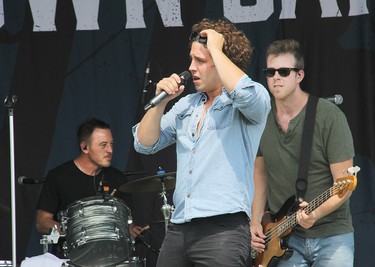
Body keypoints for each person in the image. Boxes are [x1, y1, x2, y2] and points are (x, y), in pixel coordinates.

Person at [132, 18, 271, 267]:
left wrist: (217, 49)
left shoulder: (253, 95)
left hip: (223, 229)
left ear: (221, 62)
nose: (191, 68)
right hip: (180, 227)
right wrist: (161, 102)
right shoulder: (187, 104)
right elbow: (144, 143)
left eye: (201, 61)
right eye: (191, 59)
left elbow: (245, 95)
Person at [250, 39, 355, 267]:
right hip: (283, 238)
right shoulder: (261, 118)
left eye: (284, 71)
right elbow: (260, 177)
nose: (276, 77)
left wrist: (315, 214)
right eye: (270, 72)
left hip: (332, 235)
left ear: (300, 76)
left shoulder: (329, 117)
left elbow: (344, 185)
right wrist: (256, 222)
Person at [36, 118, 143, 258]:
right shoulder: (59, 176)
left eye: (111, 144)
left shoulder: (117, 178)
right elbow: (42, 222)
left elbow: (127, 223)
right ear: (85, 147)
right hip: (70, 257)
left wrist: (131, 230)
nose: (110, 150)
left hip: (110, 256)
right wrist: (72, 230)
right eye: (103, 145)